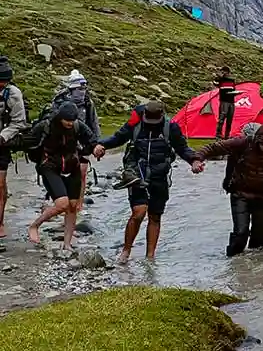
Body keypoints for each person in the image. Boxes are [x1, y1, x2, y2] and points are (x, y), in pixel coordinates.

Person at [93, 100, 203, 262]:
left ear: (162, 116)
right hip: (137, 173)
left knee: (155, 216)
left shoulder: (171, 127)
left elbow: (182, 148)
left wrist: (194, 160)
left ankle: (150, 257)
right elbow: (118, 138)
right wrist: (101, 145)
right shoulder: (135, 124)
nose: (151, 124)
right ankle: (126, 251)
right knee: (139, 212)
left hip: (160, 175)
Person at [195, 124, 263, 256]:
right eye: (262, 144)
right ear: (256, 139)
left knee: (262, 236)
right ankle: (233, 261)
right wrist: (197, 159)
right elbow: (213, 148)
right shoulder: (242, 143)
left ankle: (254, 266)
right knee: (240, 234)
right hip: (240, 194)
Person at [26, 102, 96, 250]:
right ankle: (34, 226)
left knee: (72, 206)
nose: (70, 123)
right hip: (50, 167)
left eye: (72, 120)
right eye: (67, 120)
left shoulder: (78, 126)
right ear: (60, 117)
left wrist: (96, 148)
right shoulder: (46, 126)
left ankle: (67, 244)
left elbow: (91, 139)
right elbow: (29, 142)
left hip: (73, 166)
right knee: (62, 204)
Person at [51, 70, 100, 213]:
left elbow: (94, 123)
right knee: (62, 173)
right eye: (79, 89)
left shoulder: (88, 103)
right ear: (72, 89)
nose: (82, 92)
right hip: (63, 145)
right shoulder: (59, 103)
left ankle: (79, 204)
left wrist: (96, 143)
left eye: (84, 88)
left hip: (83, 144)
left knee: (82, 174)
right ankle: (61, 202)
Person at [0, 56, 29, 239]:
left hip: (2, 144)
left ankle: (0, 223)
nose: (2, 85)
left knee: (0, 184)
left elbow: (19, 122)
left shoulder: (13, 94)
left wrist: (3, 136)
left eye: (4, 82)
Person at [213, 66, 237, 139]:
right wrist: (218, 77)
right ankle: (218, 134)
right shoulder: (221, 80)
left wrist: (236, 93)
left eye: (225, 71)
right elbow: (215, 84)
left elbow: (234, 90)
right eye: (222, 71)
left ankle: (227, 135)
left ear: (228, 72)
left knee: (230, 119)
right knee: (222, 118)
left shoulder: (232, 80)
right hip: (224, 101)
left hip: (231, 102)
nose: (224, 73)